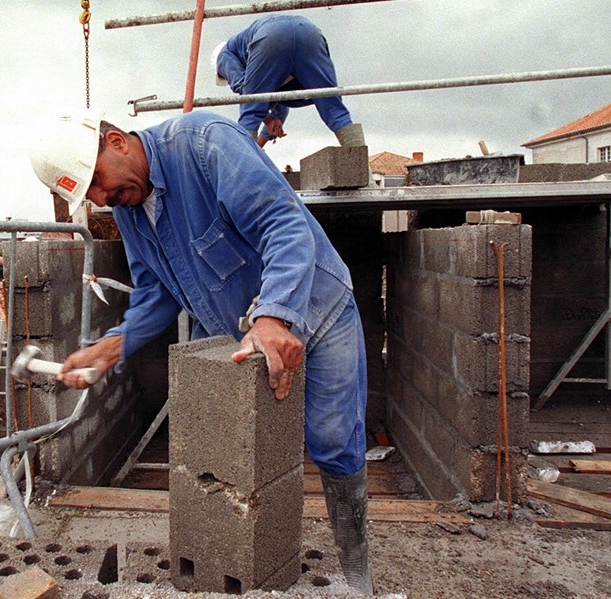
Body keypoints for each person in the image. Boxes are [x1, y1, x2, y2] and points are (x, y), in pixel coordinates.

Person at [29, 108, 373, 595]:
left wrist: (274, 315)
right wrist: (115, 344)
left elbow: (285, 226)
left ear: (116, 142)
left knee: (333, 440)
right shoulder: (129, 209)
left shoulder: (206, 145)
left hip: (318, 308)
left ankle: (359, 577)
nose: (103, 199)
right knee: (229, 453)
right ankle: (240, 565)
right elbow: (155, 291)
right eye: (91, 197)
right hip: (243, 337)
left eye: (98, 182)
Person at [211, 14, 365, 150]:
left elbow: (242, 87)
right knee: (332, 106)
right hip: (308, 32)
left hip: (271, 36)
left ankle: (242, 175)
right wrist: (262, 140)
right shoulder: (253, 57)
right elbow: (280, 106)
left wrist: (261, 113)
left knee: (250, 110)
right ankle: (363, 173)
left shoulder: (224, 54)